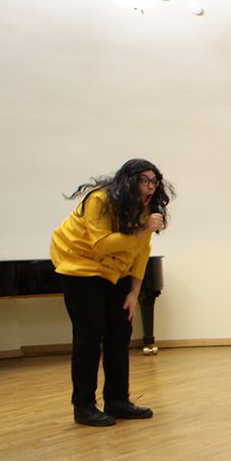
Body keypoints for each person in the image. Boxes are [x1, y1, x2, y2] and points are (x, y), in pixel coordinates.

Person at [50, 158, 171, 426]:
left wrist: (134, 292)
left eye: (153, 181)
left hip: (115, 270)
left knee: (119, 333)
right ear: (128, 181)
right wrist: (144, 230)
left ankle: (117, 401)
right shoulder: (99, 200)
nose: (150, 187)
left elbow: (142, 251)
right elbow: (102, 245)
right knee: (89, 335)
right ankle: (83, 406)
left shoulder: (144, 209)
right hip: (79, 266)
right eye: (143, 180)